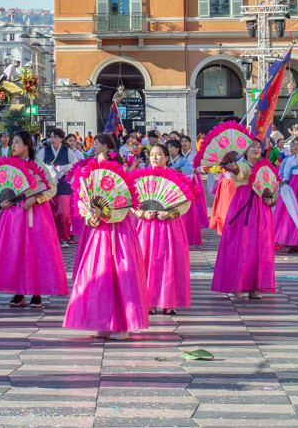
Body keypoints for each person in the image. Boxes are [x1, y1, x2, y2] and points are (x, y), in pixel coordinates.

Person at [63, 151, 148, 341]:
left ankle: (122, 326)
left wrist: (103, 212)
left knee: (121, 277)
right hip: (100, 236)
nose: (100, 165)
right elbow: (89, 216)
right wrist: (93, 216)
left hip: (120, 235)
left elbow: (121, 211)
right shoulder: (91, 186)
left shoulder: (123, 184)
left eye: (105, 161)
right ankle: (103, 322)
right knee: (100, 278)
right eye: (99, 162)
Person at [0, 130, 68, 308]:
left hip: (34, 215)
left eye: (16, 142)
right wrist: (2, 202)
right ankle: (18, 292)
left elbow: (51, 188)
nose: (12, 145)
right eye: (12, 142)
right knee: (15, 251)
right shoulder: (9, 165)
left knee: (35, 251)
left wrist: (36, 199)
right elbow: (2, 190)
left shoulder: (37, 165)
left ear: (27, 146)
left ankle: (36, 293)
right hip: (13, 216)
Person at [211, 143, 277, 300]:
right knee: (242, 245)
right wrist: (234, 168)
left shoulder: (265, 167)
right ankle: (238, 284)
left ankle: (256, 286)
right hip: (244, 207)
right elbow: (239, 175)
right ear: (245, 150)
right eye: (252, 146)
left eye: (259, 147)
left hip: (262, 209)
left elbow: (273, 187)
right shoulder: (242, 165)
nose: (256, 149)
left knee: (261, 246)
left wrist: (272, 200)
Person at [133, 143, 191, 316]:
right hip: (147, 226)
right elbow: (131, 202)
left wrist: (171, 213)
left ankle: (169, 301)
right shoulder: (140, 178)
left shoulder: (175, 177)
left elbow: (186, 201)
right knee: (146, 261)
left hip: (170, 226)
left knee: (169, 262)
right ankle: (149, 300)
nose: (155, 158)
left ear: (167, 158)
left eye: (159, 154)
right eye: (152, 155)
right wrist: (142, 213)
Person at [40, 128, 79, 245]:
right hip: (49, 186)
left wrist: (63, 168)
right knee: (49, 213)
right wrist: (49, 169)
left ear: (61, 139)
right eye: (51, 137)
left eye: (55, 137)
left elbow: (75, 164)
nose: (53, 139)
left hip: (64, 185)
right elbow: (38, 164)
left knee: (63, 212)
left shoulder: (67, 151)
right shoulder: (45, 151)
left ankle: (64, 237)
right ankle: (51, 238)